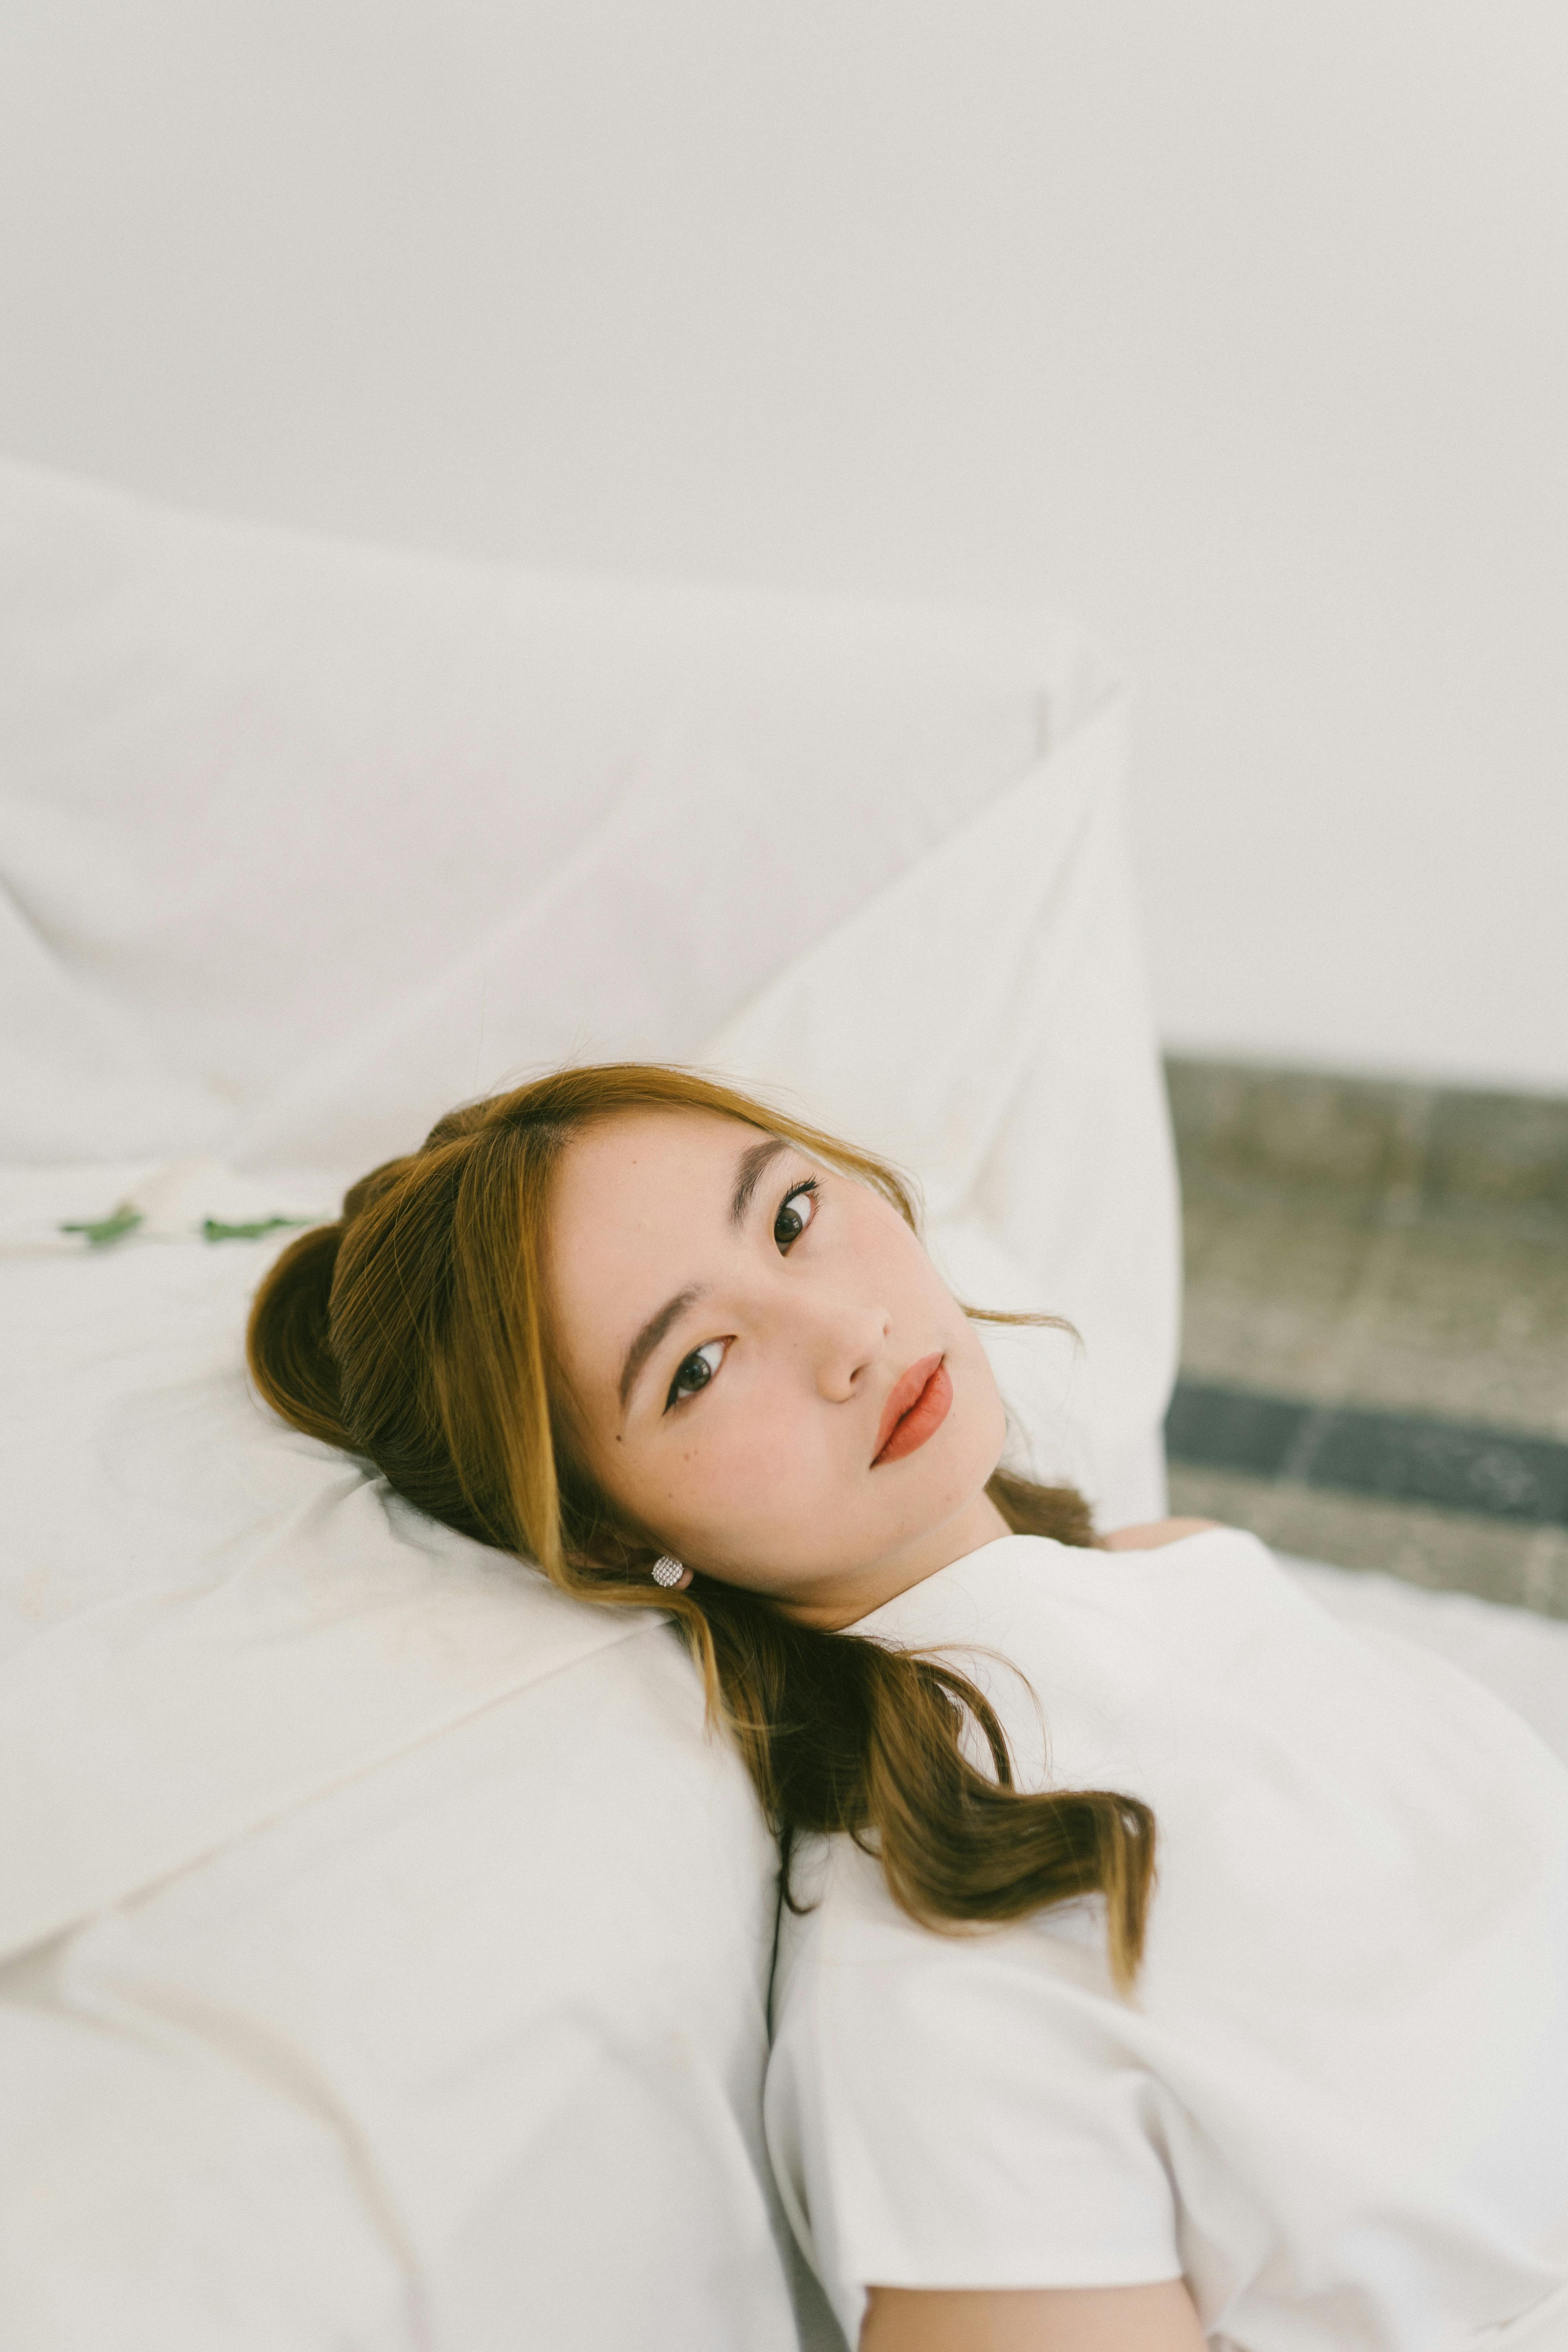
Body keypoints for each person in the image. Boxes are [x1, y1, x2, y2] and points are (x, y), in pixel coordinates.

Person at [248, 1063, 1568, 2352]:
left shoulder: (1183, 1567)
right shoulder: (944, 2001)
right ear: (607, 1534)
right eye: (698, 1366)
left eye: (792, 1216)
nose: (845, 1335)